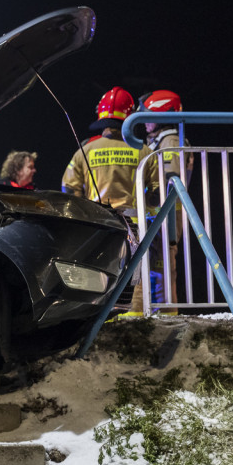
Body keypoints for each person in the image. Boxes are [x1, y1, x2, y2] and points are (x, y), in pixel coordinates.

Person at [62, 87, 157, 317]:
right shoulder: (143, 151)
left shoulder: (85, 150)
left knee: (98, 277)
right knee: (135, 280)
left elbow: (68, 188)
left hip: (98, 227)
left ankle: (99, 324)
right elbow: (157, 191)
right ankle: (134, 327)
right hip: (135, 227)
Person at [136, 90, 193, 313]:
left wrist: (149, 194)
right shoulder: (160, 139)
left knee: (163, 264)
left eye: (149, 115)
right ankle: (155, 311)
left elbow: (170, 177)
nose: (145, 121)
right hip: (160, 210)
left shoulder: (170, 140)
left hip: (166, 210)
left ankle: (167, 313)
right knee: (154, 265)